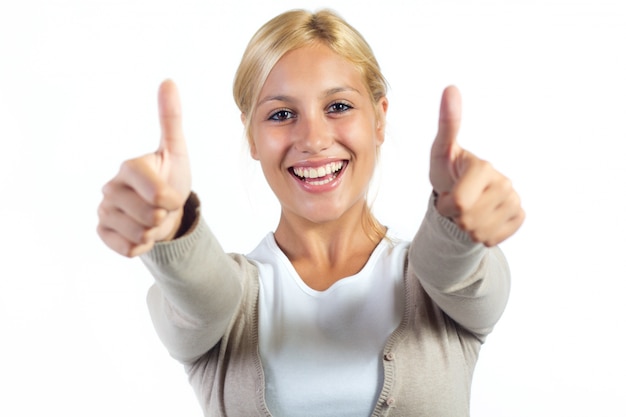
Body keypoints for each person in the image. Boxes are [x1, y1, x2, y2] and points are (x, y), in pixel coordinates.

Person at [97, 8, 524, 417]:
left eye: (338, 106)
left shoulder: (437, 287)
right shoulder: (225, 303)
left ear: (379, 119)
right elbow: (200, 297)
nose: (314, 139)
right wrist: (173, 230)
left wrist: (457, 227)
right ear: (252, 137)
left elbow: (456, 272)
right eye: (282, 114)